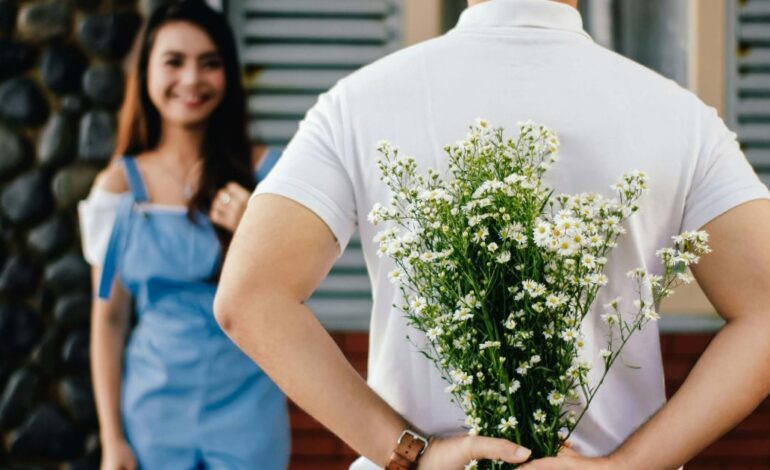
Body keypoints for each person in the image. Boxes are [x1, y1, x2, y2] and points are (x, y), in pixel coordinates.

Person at [214, 0, 770, 468]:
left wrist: (409, 452)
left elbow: (249, 297)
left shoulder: (358, 103)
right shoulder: (680, 117)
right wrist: (625, 467)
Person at [78, 1, 289, 468]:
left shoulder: (270, 174)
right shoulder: (117, 187)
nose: (191, 79)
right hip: (152, 413)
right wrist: (113, 441)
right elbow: (108, 321)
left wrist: (252, 231)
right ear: (147, 71)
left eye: (210, 63)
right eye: (174, 61)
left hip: (249, 408)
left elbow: (294, 296)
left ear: (228, 75)